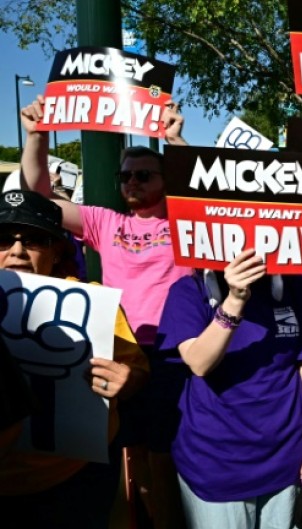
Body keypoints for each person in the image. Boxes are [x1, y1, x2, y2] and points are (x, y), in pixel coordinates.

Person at [19, 96, 192, 528]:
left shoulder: (187, 220)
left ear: (165, 179)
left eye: (143, 175)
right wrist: (36, 138)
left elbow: (204, 194)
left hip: (174, 356)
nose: (131, 181)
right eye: (125, 175)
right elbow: (37, 200)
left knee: (169, 461)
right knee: (126, 462)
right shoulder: (105, 222)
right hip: (118, 355)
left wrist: (177, 141)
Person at [0, 190, 149, 528]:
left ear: (57, 251)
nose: (17, 251)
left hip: (75, 481)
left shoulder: (93, 300)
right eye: (4, 239)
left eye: (35, 239)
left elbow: (137, 372)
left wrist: (127, 380)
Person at [155, 251, 302, 528]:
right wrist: (234, 301)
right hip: (217, 465)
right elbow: (199, 363)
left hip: (286, 460)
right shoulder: (189, 290)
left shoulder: (294, 286)